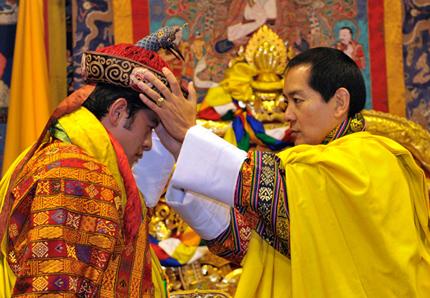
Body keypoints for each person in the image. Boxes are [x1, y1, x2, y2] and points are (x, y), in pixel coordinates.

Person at [135, 47, 430, 297]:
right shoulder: (312, 166)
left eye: (297, 100)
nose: (288, 115)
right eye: (286, 102)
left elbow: (276, 192)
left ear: (339, 102)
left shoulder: (373, 158)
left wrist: (190, 134)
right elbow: (257, 242)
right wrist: (180, 149)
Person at [0, 32, 195, 297]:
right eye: (149, 127)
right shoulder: (79, 175)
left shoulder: (57, 153)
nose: (148, 143)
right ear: (117, 111)